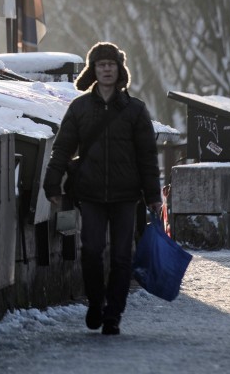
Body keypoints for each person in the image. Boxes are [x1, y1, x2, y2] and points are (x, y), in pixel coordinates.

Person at [43, 42, 162, 336]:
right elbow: (62, 149)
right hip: (90, 194)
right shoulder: (80, 108)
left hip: (126, 196)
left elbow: (147, 156)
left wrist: (153, 196)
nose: (107, 69)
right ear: (93, 71)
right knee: (92, 251)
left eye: (111, 64)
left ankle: (113, 315)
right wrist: (51, 183)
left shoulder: (135, 110)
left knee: (123, 256)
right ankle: (96, 303)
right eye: (101, 64)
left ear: (120, 70)